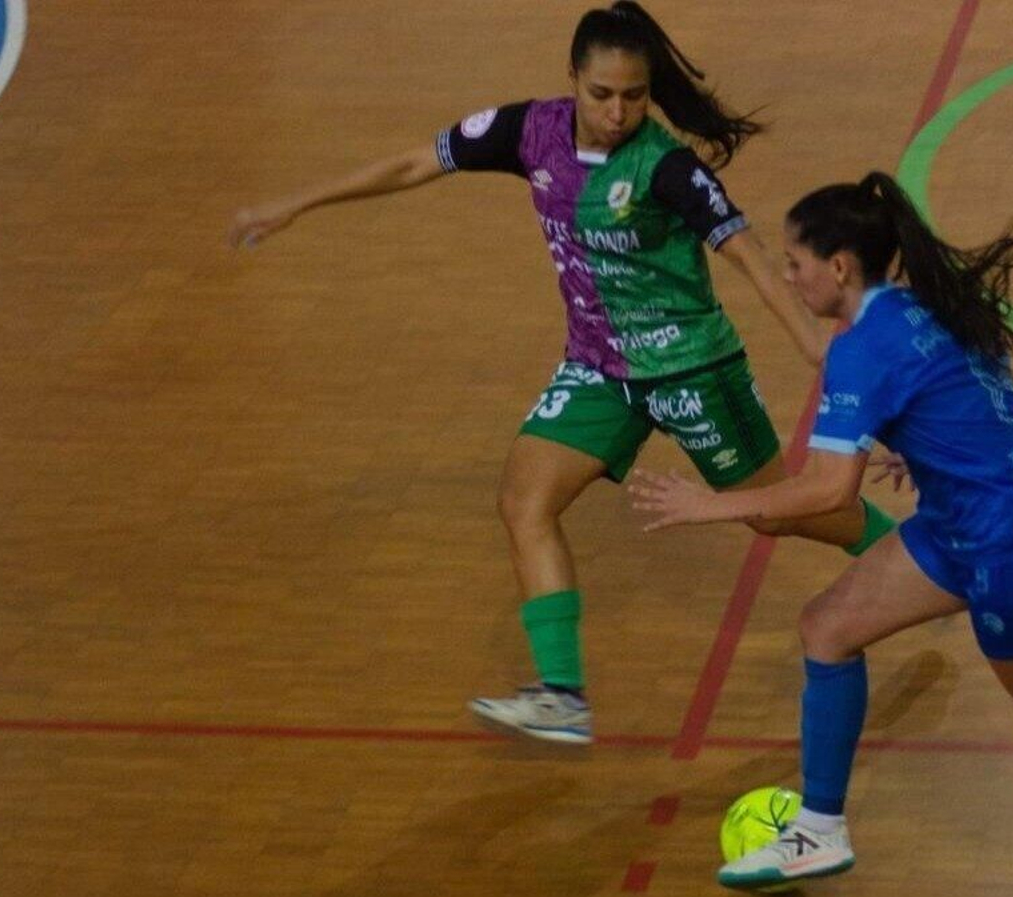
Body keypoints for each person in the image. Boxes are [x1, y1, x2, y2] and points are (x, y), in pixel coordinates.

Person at [227, 2, 896, 746]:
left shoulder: (667, 166)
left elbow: (749, 256)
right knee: (523, 498)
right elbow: (418, 161)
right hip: (600, 368)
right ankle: (562, 694)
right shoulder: (528, 131)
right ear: (572, 79)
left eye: (635, 95)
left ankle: (918, 552)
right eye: (601, 93)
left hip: (692, 370)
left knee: (777, 512)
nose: (618, 112)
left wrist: (819, 354)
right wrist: (296, 203)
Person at [631, 172, 1013, 890]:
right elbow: (954, 392)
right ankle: (819, 828)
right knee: (826, 627)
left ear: (840, 267)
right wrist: (919, 442)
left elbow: (829, 489)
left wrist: (714, 504)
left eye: (794, 263)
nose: (789, 276)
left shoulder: (862, 347)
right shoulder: (920, 305)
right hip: (968, 524)